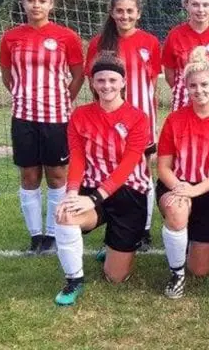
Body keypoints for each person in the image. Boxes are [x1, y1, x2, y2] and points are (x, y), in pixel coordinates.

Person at [0, 0, 84, 255]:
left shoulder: (66, 37)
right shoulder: (11, 37)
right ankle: (36, 236)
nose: (36, 5)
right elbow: (7, 76)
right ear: (23, 1)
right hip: (23, 117)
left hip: (57, 118)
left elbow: (77, 74)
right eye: (31, 0)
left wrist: (62, 98)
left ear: (51, 4)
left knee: (58, 176)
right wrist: (25, 96)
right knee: (29, 176)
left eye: (42, 0)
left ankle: (54, 232)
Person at [53, 53, 150, 306]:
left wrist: (95, 198)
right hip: (92, 189)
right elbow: (77, 157)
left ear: (123, 82)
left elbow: (129, 165)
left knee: (115, 277)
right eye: (101, 80)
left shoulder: (138, 117)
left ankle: (116, 245)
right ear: (92, 83)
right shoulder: (80, 115)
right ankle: (74, 280)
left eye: (112, 80)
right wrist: (73, 192)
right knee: (65, 215)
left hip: (129, 192)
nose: (107, 85)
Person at [155, 47, 209, 299]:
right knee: (178, 209)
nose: (199, 90)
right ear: (186, 87)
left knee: (201, 270)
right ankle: (176, 273)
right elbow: (163, 167)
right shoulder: (174, 119)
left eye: (204, 84)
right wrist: (182, 188)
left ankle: (184, 242)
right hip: (177, 184)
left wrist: (196, 190)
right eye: (193, 86)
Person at [87, 0, 161, 251]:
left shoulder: (150, 42)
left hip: (141, 120)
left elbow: (152, 83)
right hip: (108, 122)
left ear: (138, 14)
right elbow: (93, 82)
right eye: (120, 11)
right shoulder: (99, 43)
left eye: (130, 11)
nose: (125, 16)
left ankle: (145, 227)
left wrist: (149, 114)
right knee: (109, 167)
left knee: (142, 171)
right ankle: (115, 227)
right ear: (112, 13)